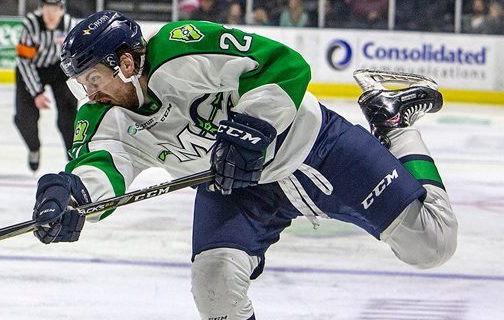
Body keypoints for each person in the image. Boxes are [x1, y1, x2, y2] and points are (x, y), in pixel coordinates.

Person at [31, 11, 458, 320]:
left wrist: (253, 127)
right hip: (235, 186)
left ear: (125, 64)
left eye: (92, 79)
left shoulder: (181, 46)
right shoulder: (101, 117)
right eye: (79, 83)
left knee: (432, 244)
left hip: (312, 144)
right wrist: (72, 196)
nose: (88, 93)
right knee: (213, 285)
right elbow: (100, 166)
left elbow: (283, 64)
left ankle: (394, 122)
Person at [14, 0, 78, 172]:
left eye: (55, 9)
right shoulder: (31, 24)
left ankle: (73, 158)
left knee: (69, 115)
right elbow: (24, 61)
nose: (50, 14)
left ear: (62, 9)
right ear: (41, 8)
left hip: (58, 70)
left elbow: (74, 55)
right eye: (46, 9)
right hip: (31, 69)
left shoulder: (70, 24)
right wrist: (37, 93)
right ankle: (34, 148)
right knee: (24, 118)